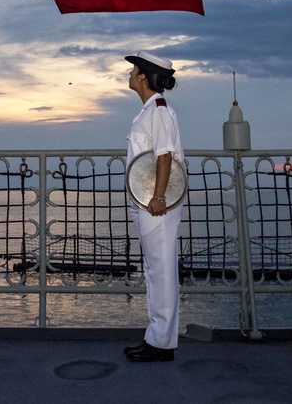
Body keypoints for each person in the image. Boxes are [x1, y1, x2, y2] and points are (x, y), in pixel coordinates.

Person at [122, 50, 185, 363]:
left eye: (135, 69)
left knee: (161, 270)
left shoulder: (158, 110)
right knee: (155, 269)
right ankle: (156, 338)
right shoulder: (150, 110)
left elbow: (164, 156)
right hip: (147, 200)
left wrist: (158, 197)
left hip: (156, 204)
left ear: (144, 76)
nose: (131, 74)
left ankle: (161, 344)